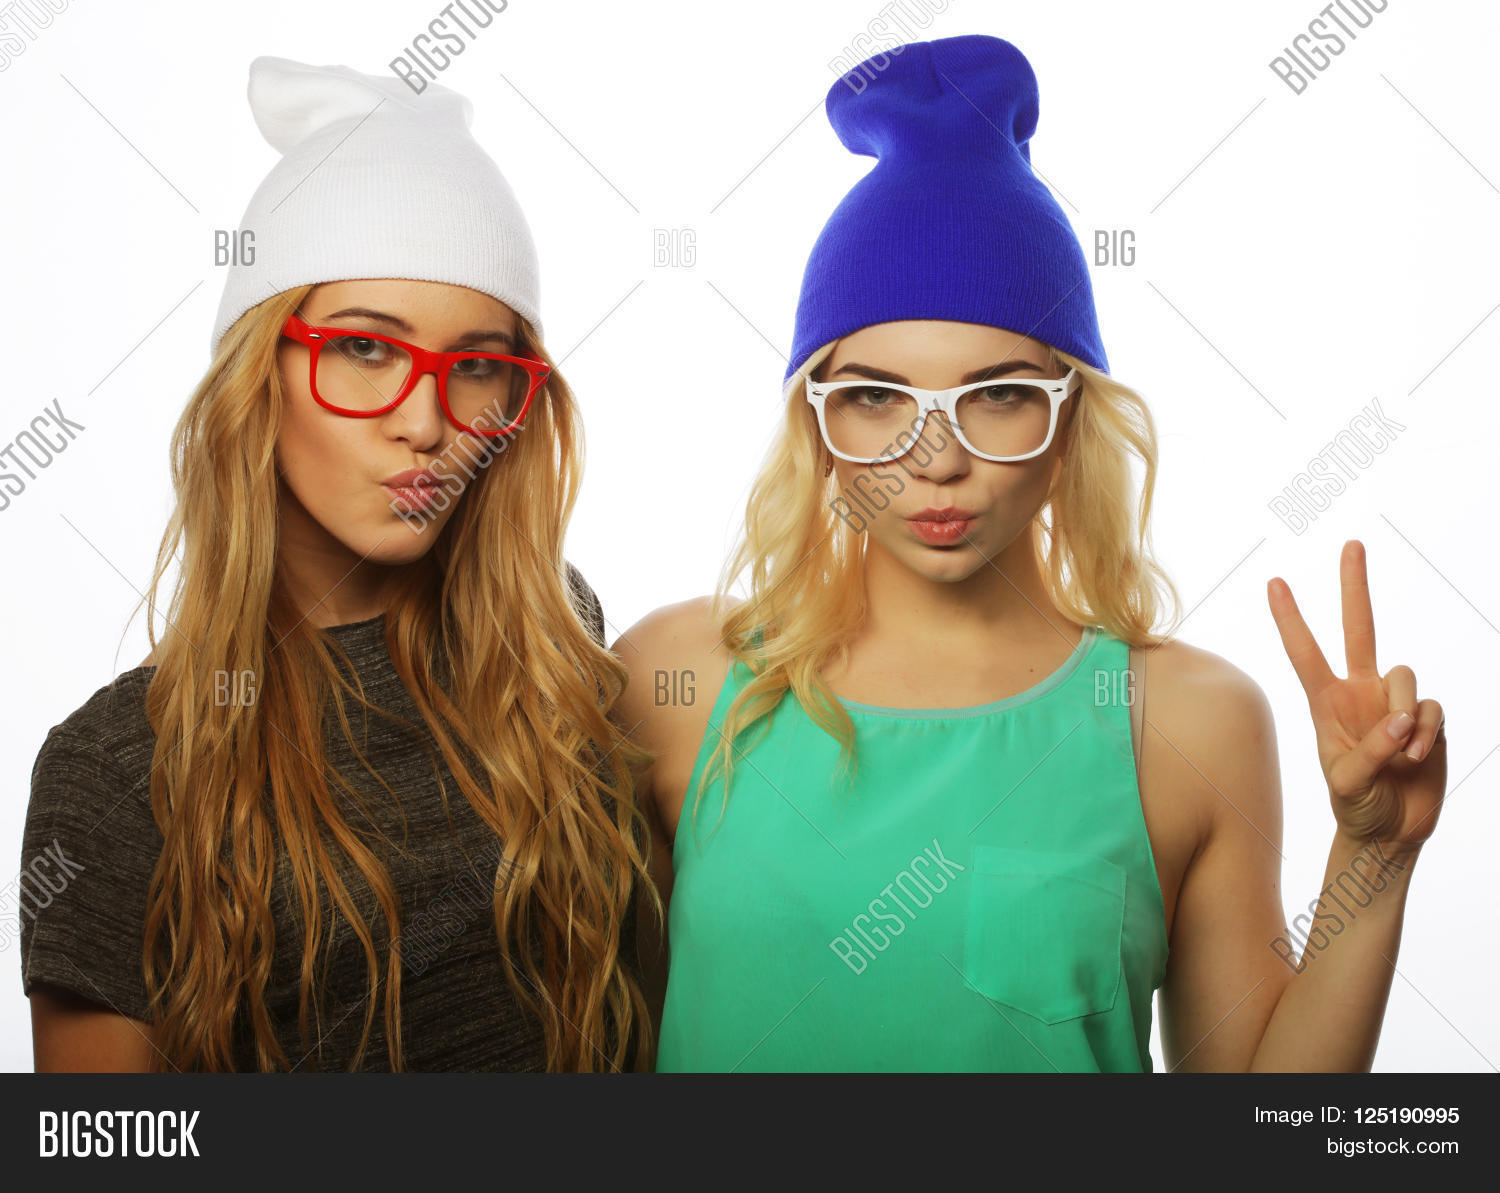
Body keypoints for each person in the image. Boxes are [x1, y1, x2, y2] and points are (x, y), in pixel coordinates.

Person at [613, 34, 1447, 1072]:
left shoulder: (1186, 722)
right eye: (877, 396)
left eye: (998, 394)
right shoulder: (675, 683)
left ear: (1069, 424)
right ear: (816, 424)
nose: (936, 459)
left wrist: (1376, 856)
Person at [20, 57, 654, 1072]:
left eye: (478, 365)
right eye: (367, 349)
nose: (426, 423)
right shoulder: (117, 771)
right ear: (255, 369)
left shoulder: (552, 647)